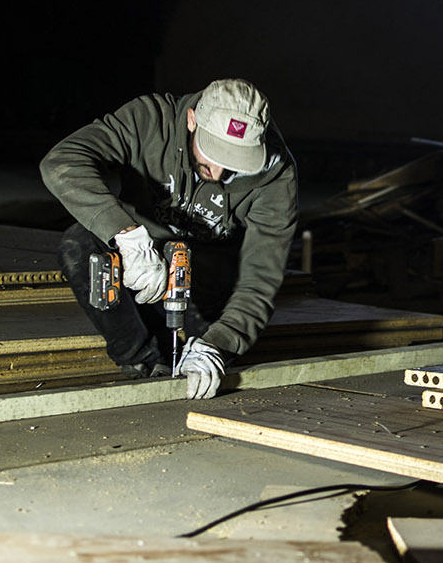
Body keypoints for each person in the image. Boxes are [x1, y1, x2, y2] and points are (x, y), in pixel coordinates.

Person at [40, 78, 298, 399]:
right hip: (141, 260)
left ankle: (193, 343)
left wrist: (218, 343)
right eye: (211, 153)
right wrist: (126, 234)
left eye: (234, 162)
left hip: (206, 283)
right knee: (80, 246)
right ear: (192, 120)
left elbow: (260, 282)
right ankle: (140, 362)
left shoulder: (276, 173)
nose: (217, 173)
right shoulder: (149, 120)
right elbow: (62, 162)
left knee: (203, 344)